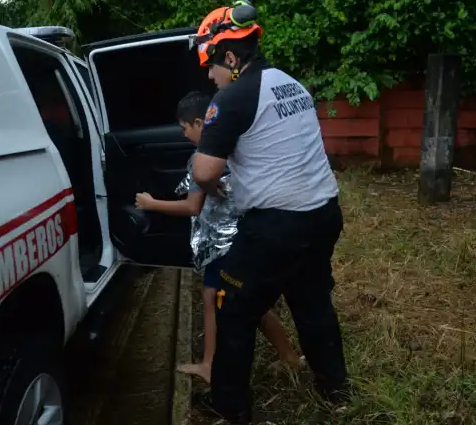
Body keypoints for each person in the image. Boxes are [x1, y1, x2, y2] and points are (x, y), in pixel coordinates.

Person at [189, 2, 348, 423]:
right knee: (313, 302)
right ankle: (336, 390)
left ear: (229, 56)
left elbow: (205, 169)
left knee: (233, 307)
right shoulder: (291, 83)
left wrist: (209, 184)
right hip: (323, 213)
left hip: (276, 226)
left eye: (210, 64)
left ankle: (230, 406)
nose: (209, 76)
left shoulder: (234, 96)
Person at [134, 91, 303, 384]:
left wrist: (151, 204)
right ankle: (285, 358)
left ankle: (212, 366)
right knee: (235, 301)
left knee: (224, 300)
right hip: (246, 236)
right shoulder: (236, 147)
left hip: (222, 245)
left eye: (184, 128)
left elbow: (192, 206)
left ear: (199, 123)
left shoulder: (203, 158)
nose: (184, 134)